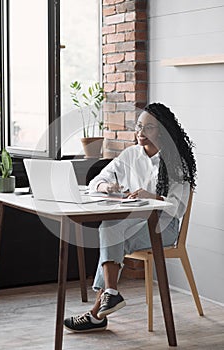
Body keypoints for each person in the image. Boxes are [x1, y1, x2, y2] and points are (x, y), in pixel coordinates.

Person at [64, 102, 197, 333]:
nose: (141, 133)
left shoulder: (176, 162)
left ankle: (99, 311)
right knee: (110, 228)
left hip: (163, 227)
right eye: (139, 127)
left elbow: (177, 208)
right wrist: (107, 186)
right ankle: (110, 296)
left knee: (111, 235)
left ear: (163, 131)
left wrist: (153, 196)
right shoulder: (131, 155)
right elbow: (96, 180)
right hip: (134, 222)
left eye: (149, 128)